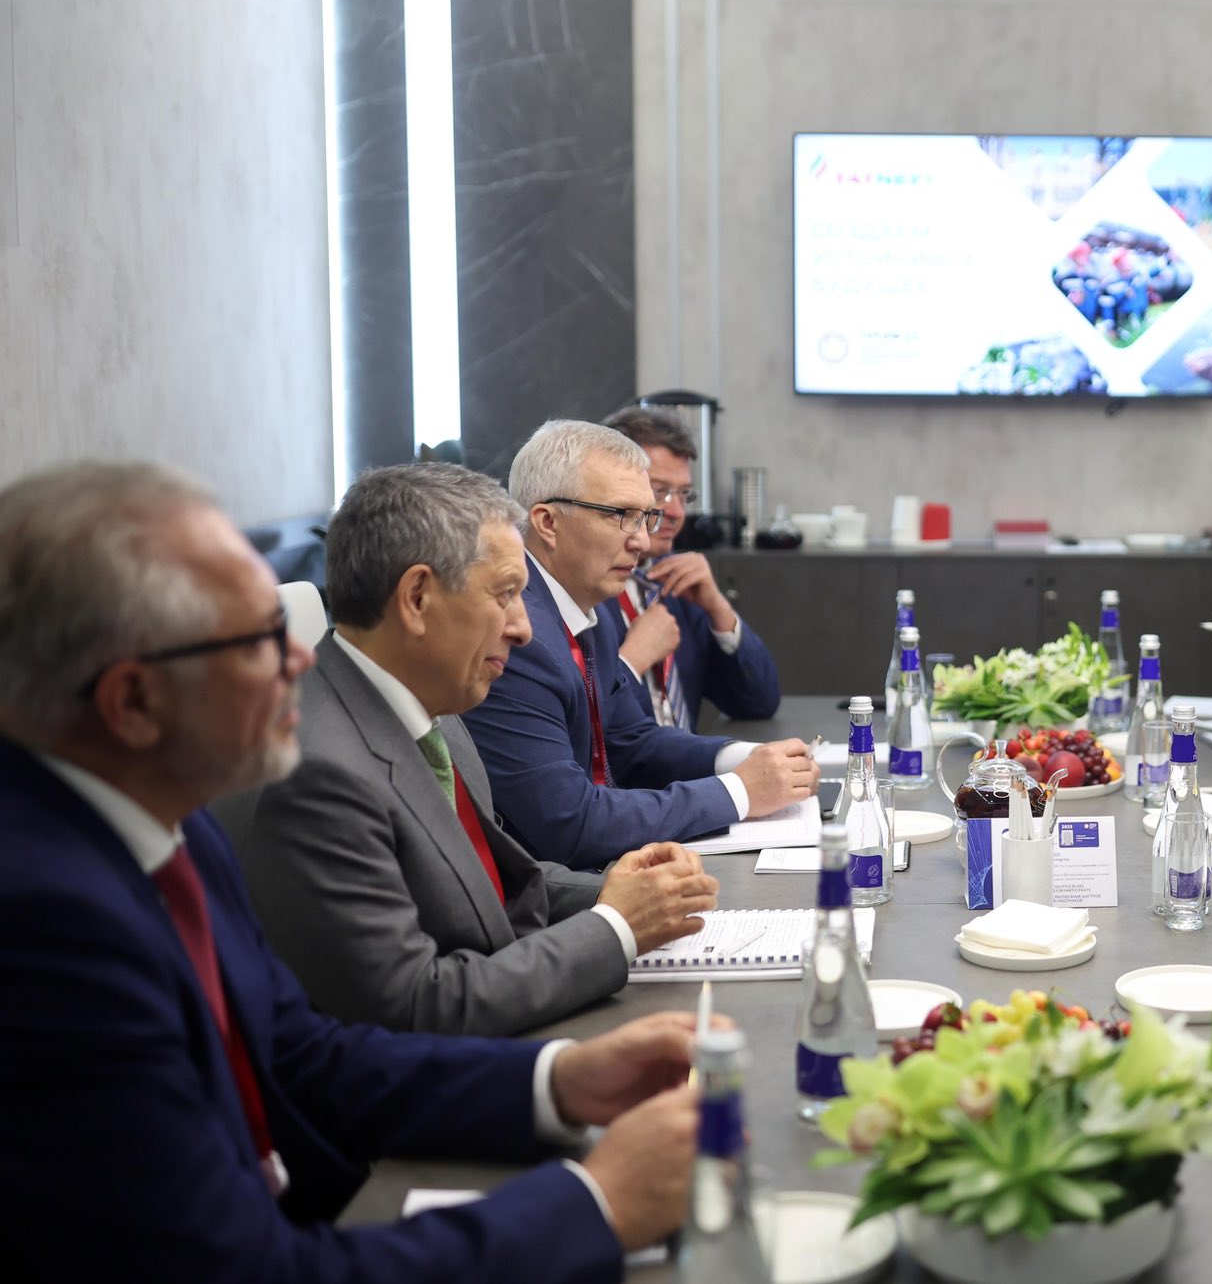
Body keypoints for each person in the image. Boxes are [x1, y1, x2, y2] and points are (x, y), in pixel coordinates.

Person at [0, 462, 707, 1279]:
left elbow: (304, 1056)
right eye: (258, 641)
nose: (299, 665)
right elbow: (247, 1270)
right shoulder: (45, 929)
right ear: (133, 702)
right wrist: (595, 1205)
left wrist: (558, 1081)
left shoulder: (171, 821)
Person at [213, 464, 720, 1036]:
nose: (524, 629)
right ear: (417, 598)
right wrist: (616, 927)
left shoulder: (436, 707)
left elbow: (491, 881)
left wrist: (624, 890)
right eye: (505, 595)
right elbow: (419, 1005)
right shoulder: (318, 775)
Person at [465, 421, 819, 871]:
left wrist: (745, 759)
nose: (642, 540)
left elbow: (630, 740)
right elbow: (570, 823)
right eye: (621, 515)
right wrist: (740, 791)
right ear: (548, 522)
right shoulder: (518, 634)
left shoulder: (588, 608)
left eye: (644, 517)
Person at [601, 403, 781, 731]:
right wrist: (633, 659)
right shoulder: (585, 590)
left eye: (684, 494)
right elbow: (585, 731)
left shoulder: (676, 583)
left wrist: (717, 607)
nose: (676, 512)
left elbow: (759, 700)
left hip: (688, 762)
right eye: (659, 492)